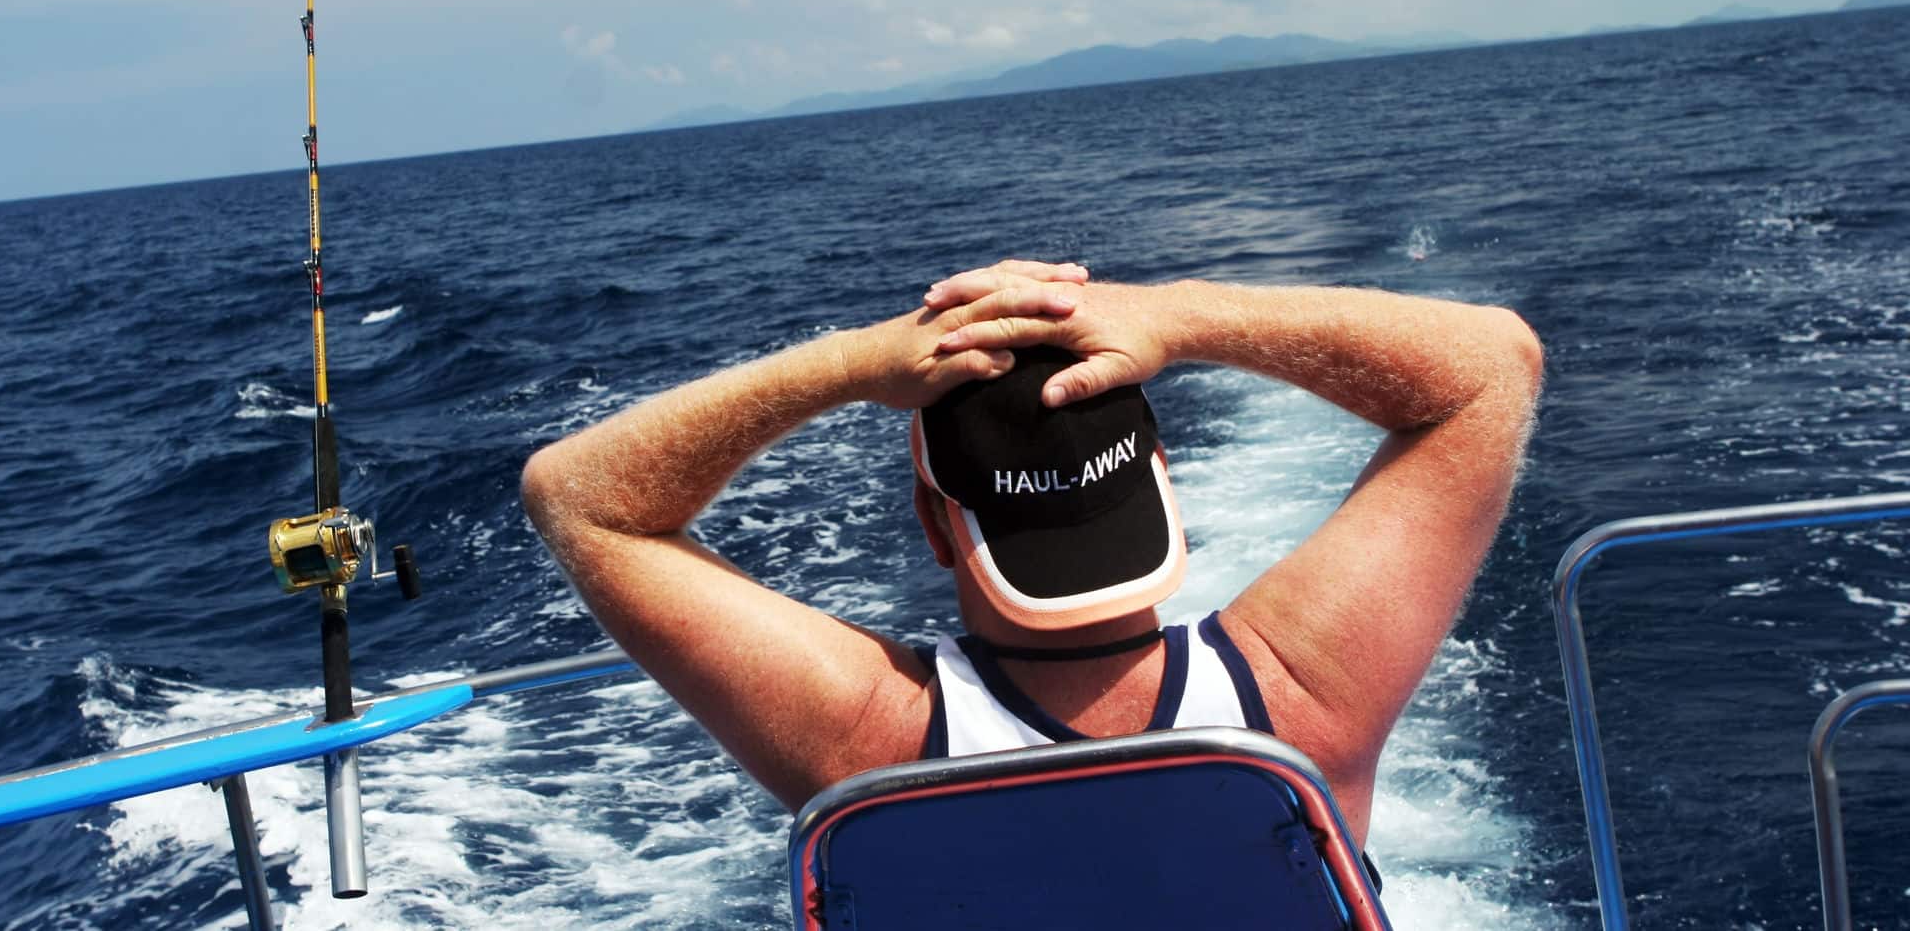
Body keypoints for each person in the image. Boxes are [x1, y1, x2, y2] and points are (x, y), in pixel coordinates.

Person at [520, 259, 1542, 844]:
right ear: (1162, 483)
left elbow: (579, 498)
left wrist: (853, 363)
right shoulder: (1300, 700)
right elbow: (1491, 366)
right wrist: (1174, 314)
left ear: (933, 524)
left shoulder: (872, 741)